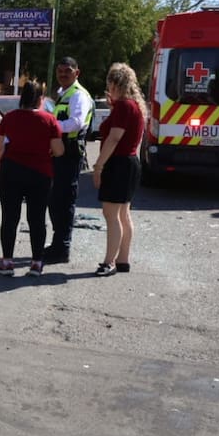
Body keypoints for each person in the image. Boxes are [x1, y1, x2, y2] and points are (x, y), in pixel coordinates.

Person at [0, 80, 64, 276]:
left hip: (11, 171)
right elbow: (58, 150)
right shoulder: (49, 120)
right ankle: (36, 262)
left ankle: (7, 262)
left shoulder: (9, 117)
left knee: (10, 218)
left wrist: (1, 165)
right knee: (37, 218)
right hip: (40, 173)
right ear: (40, 99)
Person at [91, 63, 146, 276]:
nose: (108, 86)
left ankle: (109, 262)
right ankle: (122, 260)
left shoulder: (124, 106)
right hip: (130, 162)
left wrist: (99, 166)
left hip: (119, 163)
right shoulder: (132, 106)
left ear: (115, 83)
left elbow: (114, 138)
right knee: (123, 214)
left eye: (109, 83)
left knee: (111, 214)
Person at [43, 57, 94, 264]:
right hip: (60, 154)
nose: (63, 74)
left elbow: (76, 123)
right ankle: (57, 244)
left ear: (77, 73)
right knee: (56, 201)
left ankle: (62, 248)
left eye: (68, 71)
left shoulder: (78, 95)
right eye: (60, 70)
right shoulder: (63, 94)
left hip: (70, 155)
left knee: (64, 202)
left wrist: (50, 126)